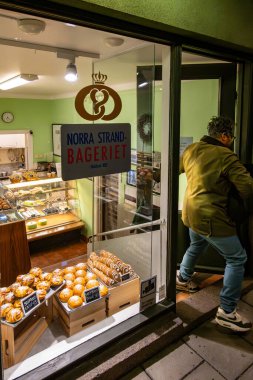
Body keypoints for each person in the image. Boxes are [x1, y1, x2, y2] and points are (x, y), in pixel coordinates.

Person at [176, 116, 253, 332]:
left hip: (190, 213)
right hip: (211, 218)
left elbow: (177, 169)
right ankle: (227, 313)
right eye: (232, 137)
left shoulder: (191, 149)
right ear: (225, 136)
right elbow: (247, 188)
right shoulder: (225, 155)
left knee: (196, 245)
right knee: (237, 258)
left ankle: (183, 278)